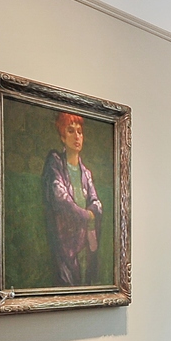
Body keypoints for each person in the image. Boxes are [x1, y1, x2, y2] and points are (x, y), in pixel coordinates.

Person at [43, 111, 104, 285]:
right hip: (65, 242)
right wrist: (86, 216)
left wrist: (92, 212)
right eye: (70, 131)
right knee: (68, 282)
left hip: (86, 241)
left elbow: (96, 203)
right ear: (62, 137)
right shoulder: (55, 162)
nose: (76, 136)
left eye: (79, 131)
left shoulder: (86, 173)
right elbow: (61, 198)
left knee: (86, 282)